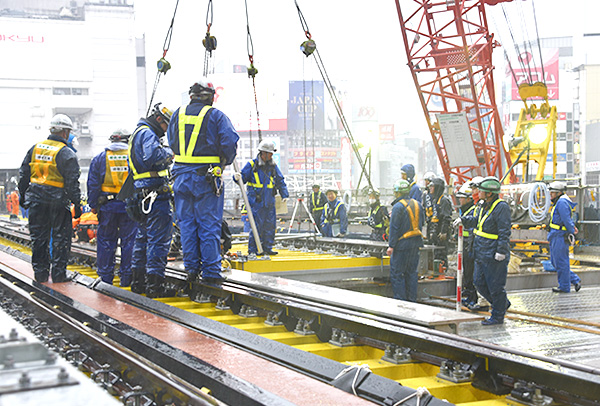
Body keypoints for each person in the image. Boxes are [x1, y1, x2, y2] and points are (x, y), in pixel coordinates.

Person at [167, 79, 239, 284]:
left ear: (191, 96)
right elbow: (229, 143)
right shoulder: (216, 116)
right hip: (205, 178)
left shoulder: (176, 115)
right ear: (210, 97)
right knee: (208, 224)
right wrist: (224, 160)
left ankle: (191, 269)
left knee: (187, 224)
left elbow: (172, 142)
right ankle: (210, 272)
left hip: (181, 177)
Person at [18, 113, 82, 283]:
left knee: (38, 238)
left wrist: (23, 195)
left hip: (36, 202)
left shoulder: (35, 149)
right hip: (57, 203)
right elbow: (72, 183)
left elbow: (24, 174)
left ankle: (40, 274)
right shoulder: (66, 153)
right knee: (61, 238)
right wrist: (77, 203)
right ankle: (59, 275)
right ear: (65, 133)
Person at [128, 103, 175, 297]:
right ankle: (155, 286)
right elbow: (153, 156)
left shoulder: (137, 133)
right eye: (166, 126)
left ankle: (138, 282)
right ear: (158, 120)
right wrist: (169, 154)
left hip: (141, 193)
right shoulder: (148, 134)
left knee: (143, 238)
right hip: (155, 194)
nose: (165, 131)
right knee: (159, 240)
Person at [457, 176, 511, 325]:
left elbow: (504, 231)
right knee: (479, 282)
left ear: (489, 193)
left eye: (481, 190)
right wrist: (464, 220)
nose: (477, 192)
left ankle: (498, 315)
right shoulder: (483, 205)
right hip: (481, 251)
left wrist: (501, 251)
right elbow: (477, 221)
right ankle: (502, 304)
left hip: (493, 253)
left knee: (495, 286)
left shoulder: (501, 208)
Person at [87, 129, 138, 287]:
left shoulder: (100, 159)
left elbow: (93, 184)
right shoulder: (133, 157)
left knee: (106, 242)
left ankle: (105, 278)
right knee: (129, 242)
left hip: (107, 207)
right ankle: (126, 278)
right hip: (129, 207)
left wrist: (93, 205)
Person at [239, 140, 288, 256]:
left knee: (270, 226)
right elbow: (241, 178)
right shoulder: (251, 165)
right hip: (256, 203)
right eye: (269, 153)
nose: (271, 156)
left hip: (269, 202)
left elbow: (280, 180)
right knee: (256, 227)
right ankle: (253, 250)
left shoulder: (272, 166)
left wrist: (284, 194)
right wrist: (236, 178)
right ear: (263, 153)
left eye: (272, 154)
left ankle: (267, 248)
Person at [387, 179, 424, 301]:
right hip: (415, 244)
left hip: (402, 246)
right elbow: (422, 223)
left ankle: (401, 302)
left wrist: (391, 245)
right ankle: (412, 301)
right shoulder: (418, 204)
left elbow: (394, 228)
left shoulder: (397, 207)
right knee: (411, 273)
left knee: (397, 274)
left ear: (397, 193)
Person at [547, 181, 581, 293]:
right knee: (555, 262)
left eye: (552, 193)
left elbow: (566, 219)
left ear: (559, 193)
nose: (550, 195)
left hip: (559, 236)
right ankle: (575, 280)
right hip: (555, 235)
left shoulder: (561, 203)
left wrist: (572, 230)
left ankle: (565, 287)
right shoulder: (559, 202)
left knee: (560, 262)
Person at [455, 183, 481, 309]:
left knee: (472, 273)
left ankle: (474, 297)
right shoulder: (466, 210)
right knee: (467, 272)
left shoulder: (473, 210)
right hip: (465, 244)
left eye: (462, 198)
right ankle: (469, 295)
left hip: (470, 244)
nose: (460, 200)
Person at [428, 177, 452, 270]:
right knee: (435, 254)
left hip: (441, 234)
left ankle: (443, 271)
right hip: (435, 232)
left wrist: (443, 232)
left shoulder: (444, 201)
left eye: (432, 186)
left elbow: (446, 217)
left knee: (441, 254)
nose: (430, 188)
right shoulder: (435, 200)